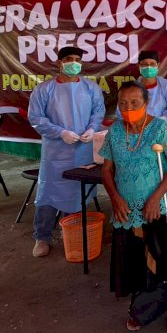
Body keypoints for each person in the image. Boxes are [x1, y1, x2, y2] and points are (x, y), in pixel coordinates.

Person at [100, 81, 167, 331]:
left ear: (146, 103)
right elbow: (106, 170)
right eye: (123, 103)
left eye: (134, 103)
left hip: (155, 206)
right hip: (125, 208)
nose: (128, 108)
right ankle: (140, 307)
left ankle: (161, 304)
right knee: (133, 262)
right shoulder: (114, 131)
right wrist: (115, 198)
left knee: (159, 261)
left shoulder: (160, 127)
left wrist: (156, 198)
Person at [27, 45, 105, 258]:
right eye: (69, 58)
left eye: (77, 59)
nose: (74, 63)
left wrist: (92, 128)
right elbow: (36, 118)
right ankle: (42, 236)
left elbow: (98, 112)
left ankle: (71, 231)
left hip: (83, 150)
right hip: (55, 152)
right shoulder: (44, 90)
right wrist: (59, 132)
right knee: (48, 193)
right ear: (59, 63)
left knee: (76, 193)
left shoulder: (91, 88)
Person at [126, 50, 167, 127]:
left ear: (158, 65)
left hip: (162, 132)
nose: (148, 67)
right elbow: (122, 112)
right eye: (144, 64)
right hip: (135, 132)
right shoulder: (130, 90)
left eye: (152, 64)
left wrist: (156, 123)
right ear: (139, 66)